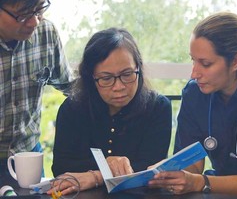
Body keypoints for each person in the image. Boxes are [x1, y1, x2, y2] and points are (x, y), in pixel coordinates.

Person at [148, 12, 237, 198]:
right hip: (222, 191)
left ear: (236, 61)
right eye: (193, 60)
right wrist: (169, 175)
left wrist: (200, 182)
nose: (194, 74)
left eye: (205, 64)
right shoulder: (194, 94)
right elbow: (193, 164)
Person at [49, 27, 172, 195]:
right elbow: (61, 167)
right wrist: (108, 166)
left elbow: (151, 170)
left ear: (139, 68)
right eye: (106, 78)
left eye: (127, 74)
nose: (119, 87)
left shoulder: (157, 107)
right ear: (90, 78)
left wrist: (97, 176)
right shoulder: (73, 108)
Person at [0, 0, 74, 174]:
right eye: (23, 15)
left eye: (39, 9)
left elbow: (71, 86)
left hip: (28, 156)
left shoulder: (45, 33)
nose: (34, 22)